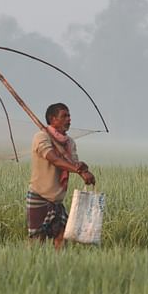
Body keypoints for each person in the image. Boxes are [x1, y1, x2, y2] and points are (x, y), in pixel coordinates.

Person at [27, 103, 96, 250]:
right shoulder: (41, 137)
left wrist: (83, 169)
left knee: (61, 237)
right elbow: (54, 159)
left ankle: (59, 268)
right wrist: (77, 169)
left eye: (69, 116)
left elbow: (73, 163)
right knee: (37, 240)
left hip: (57, 200)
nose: (69, 119)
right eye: (64, 116)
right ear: (53, 119)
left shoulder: (69, 142)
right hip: (39, 196)